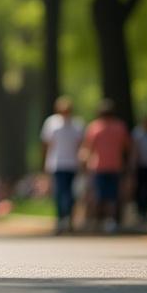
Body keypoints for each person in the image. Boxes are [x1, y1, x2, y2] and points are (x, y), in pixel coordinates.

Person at [81, 99, 131, 234]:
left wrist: (84, 164)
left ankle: (97, 221)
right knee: (112, 196)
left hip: (98, 166)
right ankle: (110, 221)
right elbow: (127, 147)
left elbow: (87, 149)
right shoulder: (120, 127)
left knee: (98, 196)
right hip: (115, 165)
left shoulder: (94, 127)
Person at [40, 95, 84, 234]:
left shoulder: (77, 124)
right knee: (59, 192)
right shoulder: (52, 123)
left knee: (71, 193)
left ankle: (69, 218)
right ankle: (60, 219)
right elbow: (47, 144)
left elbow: (80, 145)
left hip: (72, 163)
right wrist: (45, 161)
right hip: (57, 163)